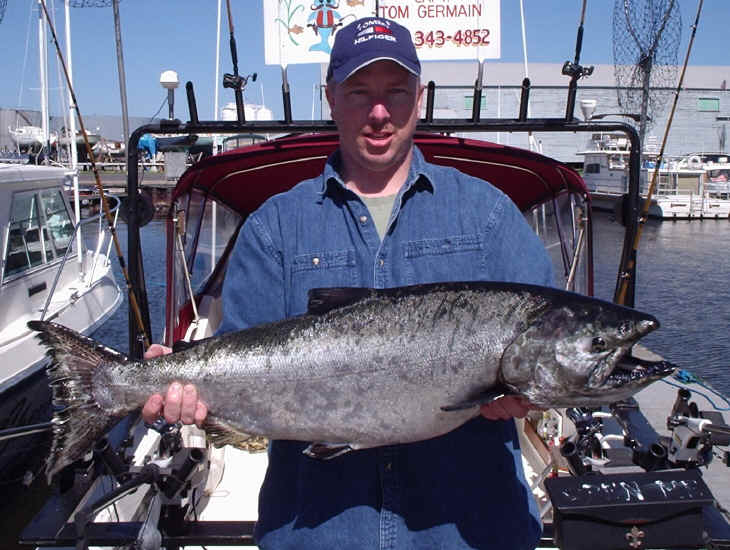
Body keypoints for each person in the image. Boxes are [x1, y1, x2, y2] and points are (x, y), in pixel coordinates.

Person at [144, 16, 554, 549]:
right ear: (331, 99)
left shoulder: (489, 217)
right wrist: (179, 382)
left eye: (396, 92)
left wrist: (529, 397)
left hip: (468, 533)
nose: (379, 113)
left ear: (420, 99)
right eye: (360, 93)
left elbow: (545, 351)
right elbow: (238, 356)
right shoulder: (274, 228)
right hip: (318, 533)